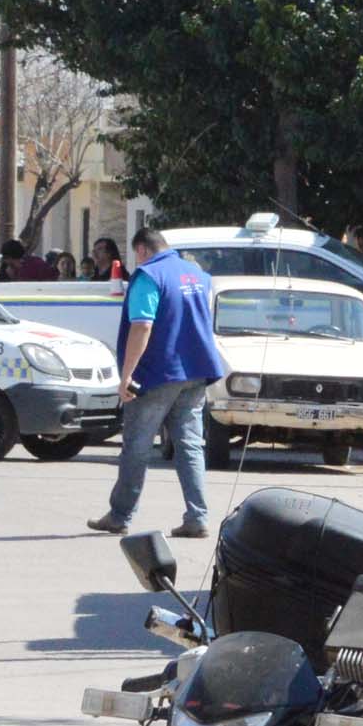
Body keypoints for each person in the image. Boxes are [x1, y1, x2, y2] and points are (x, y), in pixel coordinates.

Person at [88, 225, 227, 540]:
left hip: (158, 373)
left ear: (141, 250)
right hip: (196, 371)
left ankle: (120, 515)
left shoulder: (149, 276)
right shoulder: (197, 276)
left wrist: (126, 376)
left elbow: (142, 326)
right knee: (190, 445)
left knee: (136, 446)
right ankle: (197, 517)